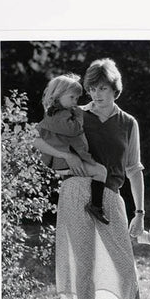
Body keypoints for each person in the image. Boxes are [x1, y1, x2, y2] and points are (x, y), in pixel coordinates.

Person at [33, 58, 150, 299]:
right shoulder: (75, 114)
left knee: (126, 264)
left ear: (115, 89)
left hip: (110, 194)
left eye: (103, 88)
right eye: (92, 88)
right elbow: (39, 138)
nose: (96, 94)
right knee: (84, 265)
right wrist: (71, 159)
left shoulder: (128, 122)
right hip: (75, 191)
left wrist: (139, 212)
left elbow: (134, 169)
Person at [37, 73, 109, 224]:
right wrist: (79, 115)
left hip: (64, 161)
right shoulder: (58, 115)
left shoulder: (57, 112)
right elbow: (73, 130)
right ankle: (95, 206)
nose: (75, 102)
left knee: (93, 175)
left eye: (77, 99)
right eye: (72, 98)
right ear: (58, 95)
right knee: (100, 171)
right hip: (62, 162)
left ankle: (91, 207)